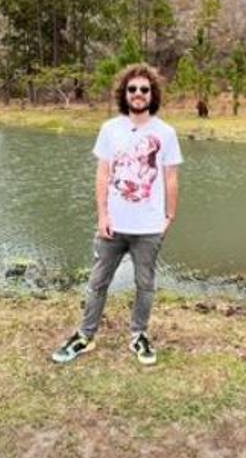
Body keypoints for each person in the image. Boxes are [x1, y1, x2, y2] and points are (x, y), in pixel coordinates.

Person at [52, 63, 183, 366]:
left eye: (144, 89)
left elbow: (171, 178)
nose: (138, 93)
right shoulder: (110, 129)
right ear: (124, 94)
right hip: (113, 226)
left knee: (145, 285)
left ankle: (138, 335)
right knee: (97, 282)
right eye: (132, 89)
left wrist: (169, 217)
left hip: (148, 228)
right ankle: (85, 335)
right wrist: (102, 215)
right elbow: (102, 174)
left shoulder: (166, 133)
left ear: (152, 94)